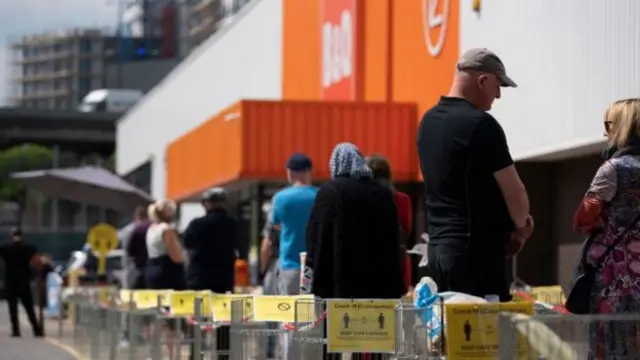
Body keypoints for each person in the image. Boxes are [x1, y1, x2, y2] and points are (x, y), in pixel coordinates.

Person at [416, 48, 533, 302]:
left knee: (445, 335)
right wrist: (521, 229)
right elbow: (515, 192)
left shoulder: (427, 122)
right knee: (483, 338)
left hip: (437, 252)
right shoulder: (480, 124)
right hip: (475, 256)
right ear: (483, 80)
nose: (498, 95)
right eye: (498, 85)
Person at [306, 143, 405, 360]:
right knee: (376, 341)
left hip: (337, 283)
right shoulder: (382, 194)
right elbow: (393, 240)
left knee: (333, 341)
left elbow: (315, 237)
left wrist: (311, 277)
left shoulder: (329, 192)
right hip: (376, 284)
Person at [573, 99, 640, 358]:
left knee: (609, 342)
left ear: (622, 126)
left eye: (608, 124)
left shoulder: (613, 169)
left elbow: (582, 217)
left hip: (615, 275)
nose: (605, 132)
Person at [184, 188, 238, 360]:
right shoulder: (232, 224)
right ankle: (223, 355)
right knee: (222, 321)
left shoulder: (197, 224)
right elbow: (240, 248)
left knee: (198, 321)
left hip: (199, 278)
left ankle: (196, 354)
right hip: (223, 279)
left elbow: (187, 245)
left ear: (206, 204)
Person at [271, 153, 318, 296]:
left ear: (289, 172)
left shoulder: (280, 198)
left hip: (289, 264)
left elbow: (276, 225)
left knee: (289, 314)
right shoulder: (320, 195)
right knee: (314, 314)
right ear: (310, 171)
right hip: (315, 265)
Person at [366, 154, 414, 292]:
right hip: (397, 260)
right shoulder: (403, 199)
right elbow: (406, 230)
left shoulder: (362, 199)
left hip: (369, 260)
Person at [145, 200, 185, 358]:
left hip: (152, 271)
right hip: (168, 273)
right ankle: (171, 354)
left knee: (157, 314)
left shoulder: (151, 229)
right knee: (171, 318)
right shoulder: (167, 229)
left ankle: (154, 352)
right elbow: (176, 256)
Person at [0, 228, 43, 337]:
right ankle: (36, 329)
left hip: (10, 282)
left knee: (13, 308)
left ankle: (16, 330)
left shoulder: (6, 248)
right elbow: (37, 261)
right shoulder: (28, 248)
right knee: (29, 307)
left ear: (12, 236)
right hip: (24, 281)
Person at [126, 205, 151, 290]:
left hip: (138, 268)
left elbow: (129, 250)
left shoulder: (133, 229)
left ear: (137, 216)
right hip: (153, 266)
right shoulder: (154, 227)